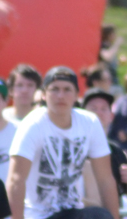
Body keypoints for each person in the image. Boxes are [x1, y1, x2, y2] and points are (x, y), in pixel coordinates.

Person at [7, 65, 118, 219]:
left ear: (76, 95)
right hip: (39, 215)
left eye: (67, 90)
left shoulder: (89, 122)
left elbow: (105, 179)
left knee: (100, 215)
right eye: (54, 89)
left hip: (73, 211)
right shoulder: (32, 124)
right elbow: (16, 180)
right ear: (44, 94)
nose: (61, 95)